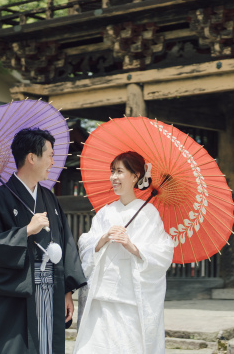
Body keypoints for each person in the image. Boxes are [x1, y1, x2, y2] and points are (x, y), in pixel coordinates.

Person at [0, 128, 86, 354]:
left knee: (47, 344)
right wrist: (25, 231)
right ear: (32, 158)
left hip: (51, 289)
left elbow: (65, 243)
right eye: (50, 155)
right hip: (17, 293)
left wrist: (67, 290)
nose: (53, 162)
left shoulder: (48, 198)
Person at [73, 151, 174, 354]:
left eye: (119, 172)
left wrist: (133, 247)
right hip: (101, 301)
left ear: (136, 176)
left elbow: (163, 253)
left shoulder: (148, 214)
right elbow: (85, 244)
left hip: (131, 303)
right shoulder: (106, 212)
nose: (114, 177)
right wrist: (103, 238)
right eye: (112, 171)